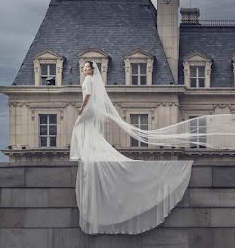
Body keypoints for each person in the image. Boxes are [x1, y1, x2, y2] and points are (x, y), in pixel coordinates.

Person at [69, 60, 193, 234]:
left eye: (87, 67)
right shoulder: (93, 80)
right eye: (83, 67)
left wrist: (82, 109)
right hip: (92, 109)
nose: (84, 69)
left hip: (88, 108)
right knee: (87, 130)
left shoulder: (88, 81)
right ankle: (88, 151)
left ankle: (83, 152)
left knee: (80, 127)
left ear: (91, 70)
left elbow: (87, 96)